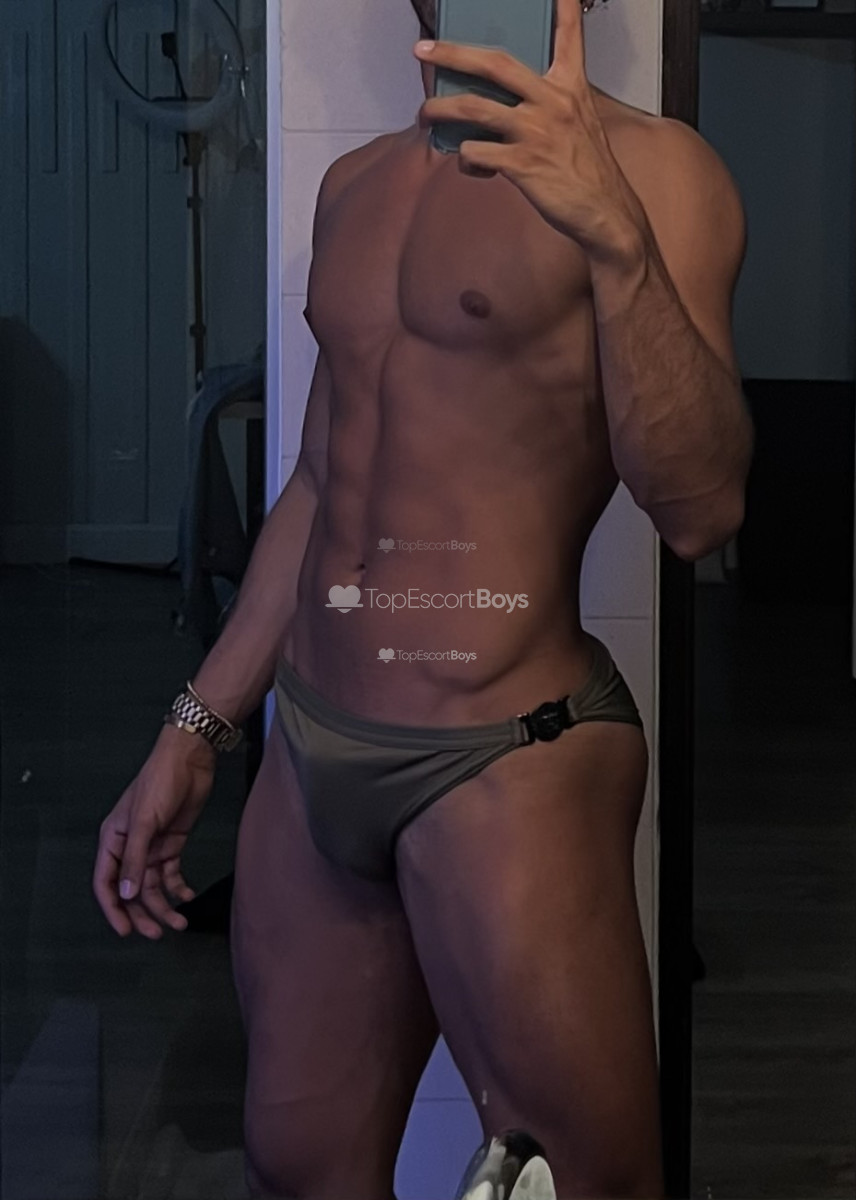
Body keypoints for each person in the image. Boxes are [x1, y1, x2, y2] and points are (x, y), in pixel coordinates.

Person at [93, 0, 754, 1196]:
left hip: (505, 758)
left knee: (584, 1178)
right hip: (312, 750)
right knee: (300, 1162)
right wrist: (197, 725)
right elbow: (319, 479)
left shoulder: (661, 173)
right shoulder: (353, 185)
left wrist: (615, 238)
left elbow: (702, 508)